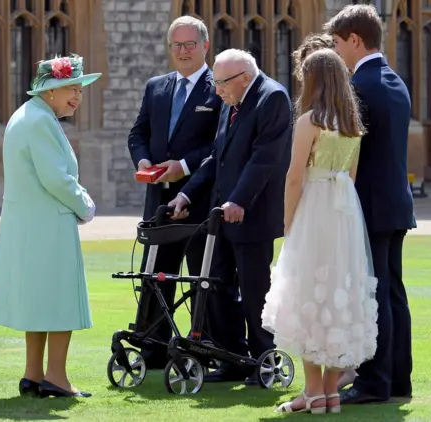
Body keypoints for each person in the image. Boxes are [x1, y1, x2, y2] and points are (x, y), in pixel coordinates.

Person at [261, 47, 378, 415]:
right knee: (339, 291)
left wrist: (289, 222)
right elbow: (352, 176)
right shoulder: (351, 125)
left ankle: (312, 392)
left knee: (308, 291)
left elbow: (295, 176)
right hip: (344, 210)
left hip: (315, 207)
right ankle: (329, 390)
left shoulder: (309, 120)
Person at [169, 48, 293, 385]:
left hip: (251, 214)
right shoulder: (231, 102)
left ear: (244, 79)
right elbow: (218, 156)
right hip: (220, 214)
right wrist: (187, 192)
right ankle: (232, 358)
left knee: (255, 291)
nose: (216, 91)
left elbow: (265, 159)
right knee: (216, 286)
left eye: (221, 83)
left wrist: (239, 200)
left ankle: (263, 361)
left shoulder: (272, 99)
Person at [0, 54, 101, 398]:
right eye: (71, 88)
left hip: (30, 226)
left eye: (79, 89)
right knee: (61, 301)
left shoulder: (26, 116)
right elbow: (56, 178)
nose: (78, 96)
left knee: (39, 302)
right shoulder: (41, 121)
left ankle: (33, 375)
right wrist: (86, 204)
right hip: (49, 225)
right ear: (50, 90)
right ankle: (57, 377)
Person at [323, 4, 415, 404]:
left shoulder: (359, 86)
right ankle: (398, 379)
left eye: (339, 43)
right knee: (393, 292)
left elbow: (347, 152)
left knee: (374, 294)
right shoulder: (394, 80)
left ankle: (375, 382)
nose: (338, 51)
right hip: (396, 203)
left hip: (371, 207)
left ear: (355, 40)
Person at [127, 16, 222, 369]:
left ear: (205, 46)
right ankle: (152, 349)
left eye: (190, 45)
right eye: (177, 45)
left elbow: (219, 145)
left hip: (200, 200)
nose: (183, 52)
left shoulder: (219, 87)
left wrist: (182, 166)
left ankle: (205, 350)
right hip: (159, 200)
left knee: (202, 278)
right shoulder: (156, 87)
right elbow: (137, 134)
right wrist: (144, 162)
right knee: (155, 275)